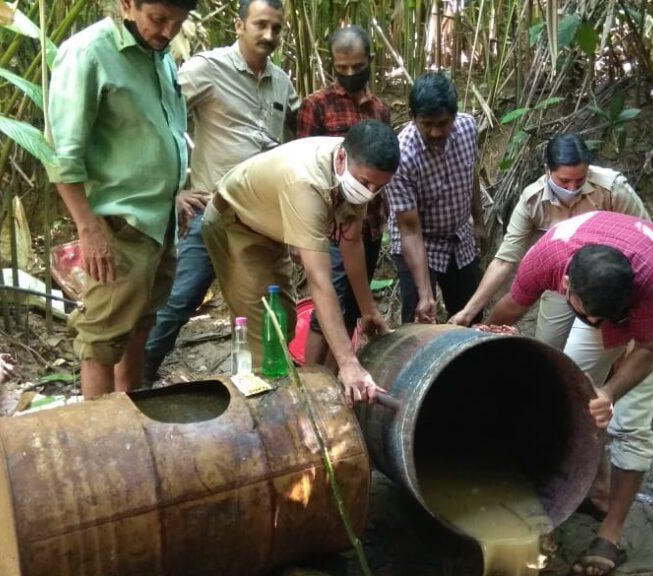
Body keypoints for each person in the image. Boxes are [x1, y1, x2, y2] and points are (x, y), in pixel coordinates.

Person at [486, 211, 653, 576]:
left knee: (630, 424)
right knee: (568, 398)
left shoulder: (647, 280)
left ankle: (609, 536)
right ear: (566, 285)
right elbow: (512, 307)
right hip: (603, 295)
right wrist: (476, 337)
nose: (596, 325)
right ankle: (598, 490)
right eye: (588, 317)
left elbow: (646, 350)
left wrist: (609, 392)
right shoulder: (547, 256)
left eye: (603, 318)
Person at [142, 0, 299, 384]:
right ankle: (137, 382)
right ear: (239, 25)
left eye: (276, 28)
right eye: (260, 25)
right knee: (179, 301)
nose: (268, 35)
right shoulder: (208, 68)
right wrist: (174, 190)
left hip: (262, 220)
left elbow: (295, 140)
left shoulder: (281, 82)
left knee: (270, 306)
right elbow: (160, 119)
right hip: (210, 209)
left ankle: (264, 385)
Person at [47, 0, 195, 400]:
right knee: (100, 339)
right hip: (118, 223)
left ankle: (129, 411)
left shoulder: (160, 54)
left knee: (141, 324)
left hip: (158, 223)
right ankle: (99, 431)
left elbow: (160, 133)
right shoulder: (88, 53)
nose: (168, 32)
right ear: (128, 4)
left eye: (177, 23)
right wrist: (88, 227)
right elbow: (62, 155)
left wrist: (174, 193)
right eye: (158, 19)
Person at [203, 120, 398, 403]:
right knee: (266, 332)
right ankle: (264, 414)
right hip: (236, 223)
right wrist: (348, 363)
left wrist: (368, 309)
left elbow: (351, 241)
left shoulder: (357, 169)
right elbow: (319, 280)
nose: (369, 191)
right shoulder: (307, 182)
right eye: (366, 182)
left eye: (378, 187)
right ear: (341, 158)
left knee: (284, 320)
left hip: (270, 227)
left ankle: (280, 401)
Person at [449, 133, 649, 350]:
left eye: (580, 180)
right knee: (549, 346)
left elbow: (645, 238)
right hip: (560, 282)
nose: (572, 188)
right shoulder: (533, 200)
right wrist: (468, 312)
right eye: (564, 181)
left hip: (606, 282)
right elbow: (504, 260)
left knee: (592, 350)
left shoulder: (613, 189)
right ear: (547, 170)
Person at [296, 25, 391, 367]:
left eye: (357, 66)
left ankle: (334, 380)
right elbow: (303, 167)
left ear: (370, 61)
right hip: (332, 227)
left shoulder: (379, 109)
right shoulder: (316, 106)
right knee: (328, 305)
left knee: (351, 309)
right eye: (342, 67)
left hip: (370, 222)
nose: (350, 74)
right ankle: (311, 382)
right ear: (332, 65)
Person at [387, 72, 483, 324]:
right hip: (419, 239)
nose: (436, 132)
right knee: (419, 320)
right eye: (427, 124)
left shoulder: (468, 128)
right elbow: (409, 229)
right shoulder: (402, 156)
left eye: (443, 123)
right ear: (413, 117)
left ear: (454, 115)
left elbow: (471, 175)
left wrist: (479, 222)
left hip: (458, 235)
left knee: (470, 315)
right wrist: (425, 293)